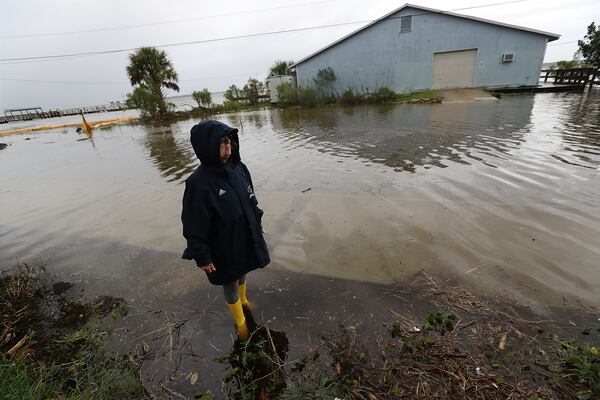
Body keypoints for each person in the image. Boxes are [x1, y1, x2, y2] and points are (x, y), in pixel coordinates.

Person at [181, 120, 270, 341]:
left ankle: (244, 301)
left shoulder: (239, 168)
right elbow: (193, 225)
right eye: (222, 142)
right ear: (206, 146)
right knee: (230, 280)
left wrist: (257, 219)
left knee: (243, 271)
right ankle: (240, 324)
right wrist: (201, 255)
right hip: (222, 246)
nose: (228, 146)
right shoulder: (198, 184)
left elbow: (251, 199)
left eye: (229, 141)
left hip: (243, 235)